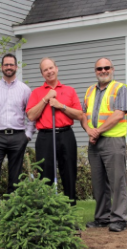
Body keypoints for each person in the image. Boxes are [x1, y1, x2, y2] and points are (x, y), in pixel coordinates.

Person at [0, 53, 35, 229]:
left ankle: (12, 215)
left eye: (11, 64)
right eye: (6, 65)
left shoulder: (25, 89)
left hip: (18, 136)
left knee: (15, 178)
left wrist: (28, 134)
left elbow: (31, 115)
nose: (8, 67)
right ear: (2, 67)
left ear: (16, 67)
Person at [81, 57, 127, 232]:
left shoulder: (120, 89)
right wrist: (89, 131)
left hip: (113, 141)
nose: (103, 71)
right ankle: (102, 217)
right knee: (98, 182)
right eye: (99, 68)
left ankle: (119, 219)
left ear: (112, 69)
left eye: (106, 67)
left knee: (117, 181)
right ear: (95, 71)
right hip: (94, 141)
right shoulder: (89, 91)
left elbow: (118, 114)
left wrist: (97, 131)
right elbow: (83, 115)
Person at [26, 57, 83, 206]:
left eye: (51, 68)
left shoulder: (69, 90)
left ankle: (70, 212)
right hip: (45, 137)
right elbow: (31, 115)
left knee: (69, 173)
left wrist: (60, 106)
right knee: (46, 174)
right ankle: (48, 212)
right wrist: (46, 99)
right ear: (42, 74)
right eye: (45, 70)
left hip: (66, 134)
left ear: (56, 69)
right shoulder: (37, 93)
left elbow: (79, 114)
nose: (49, 71)